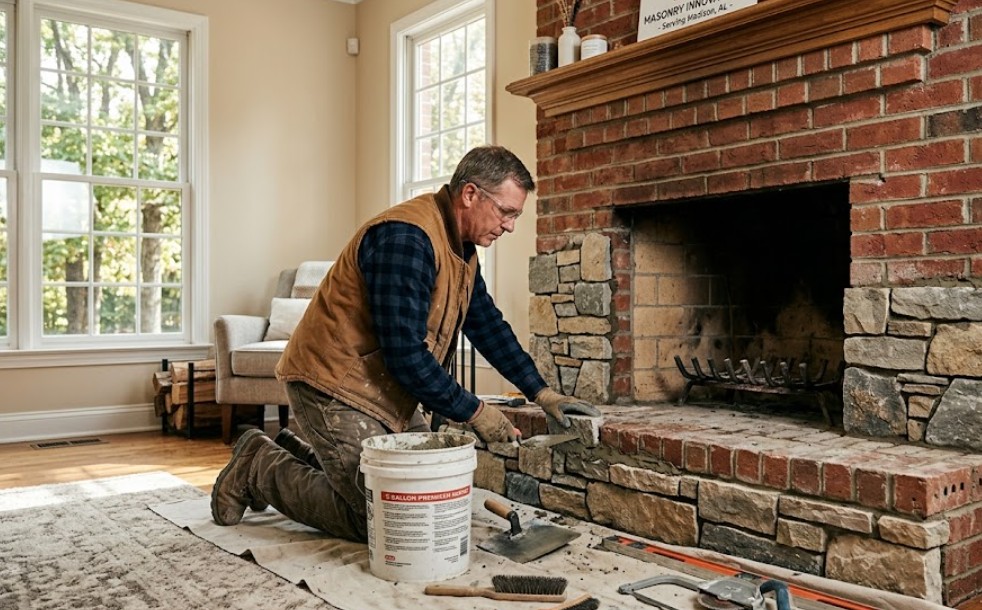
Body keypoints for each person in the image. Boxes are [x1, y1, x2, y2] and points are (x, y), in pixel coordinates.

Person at [210, 145, 600, 542]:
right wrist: (475, 411)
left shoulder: (461, 248)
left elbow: (486, 324)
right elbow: (406, 353)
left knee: (420, 497)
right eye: (507, 212)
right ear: (470, 195)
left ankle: (292, 454)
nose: (510, 226)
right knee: (383, 518)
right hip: (334, 384)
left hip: (382, 388)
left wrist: (542, 393)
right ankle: (258, 467)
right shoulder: (406, 239)